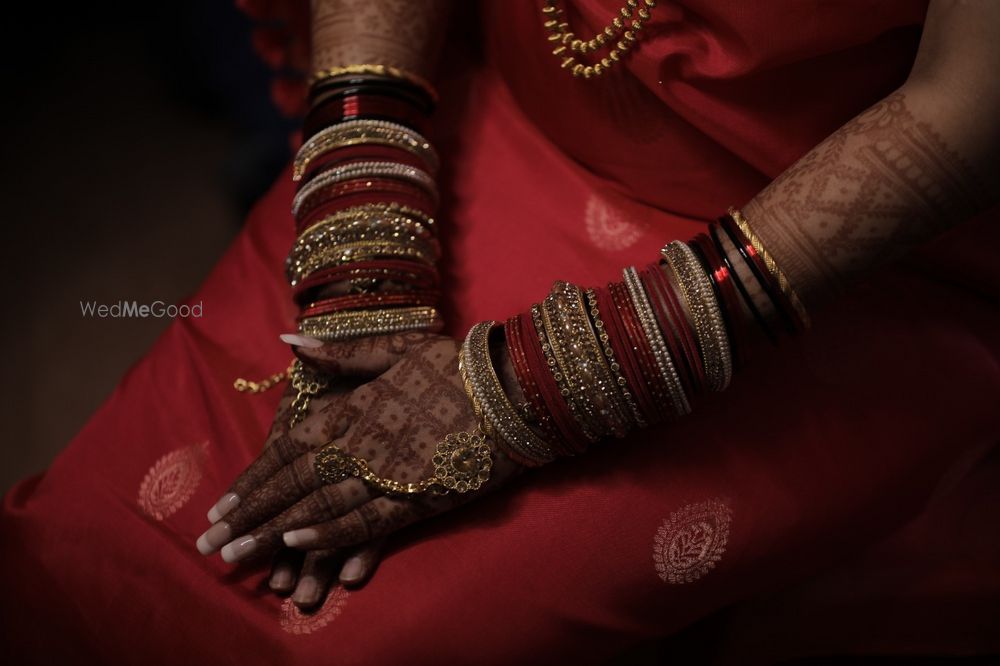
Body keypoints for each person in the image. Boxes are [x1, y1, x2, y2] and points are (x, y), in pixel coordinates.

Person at [2, 1, 999, 663]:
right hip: (472, 122)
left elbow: (965, 110)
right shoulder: (380, 213)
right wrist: (364, 227)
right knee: (89, 542)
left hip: (810, 258)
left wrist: (536, 385)